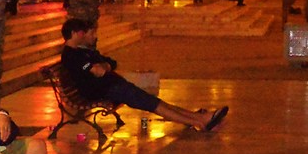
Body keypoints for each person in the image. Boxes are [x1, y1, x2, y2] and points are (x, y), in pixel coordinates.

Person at [59, 16, 227, 132]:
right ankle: (200, 122)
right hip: (106, 90)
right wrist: (104, 67)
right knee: (153, 105)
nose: (86, 35)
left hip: (114, 87)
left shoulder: (83, 52)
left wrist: (105, 66)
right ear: (74, 34)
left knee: (157, 102)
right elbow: (99, 71)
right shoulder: (72, 55)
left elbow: (110, 63)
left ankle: (199, 117)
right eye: (83, 32)